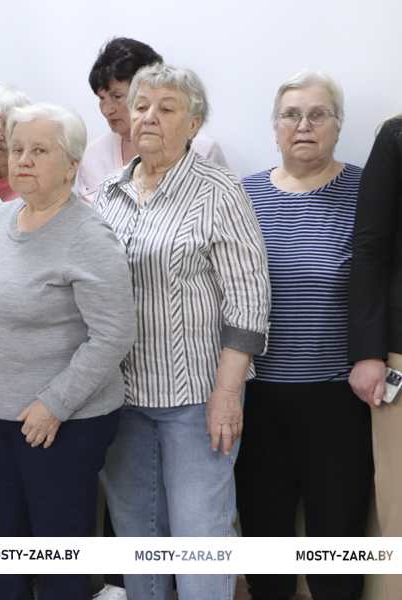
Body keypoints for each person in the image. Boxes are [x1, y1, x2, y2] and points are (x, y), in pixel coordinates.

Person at [0, 103, 136, 600]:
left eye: (39, 150)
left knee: (58, 560)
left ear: (71, 166)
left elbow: (113, 334)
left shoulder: (88, 236)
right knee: (0, 551)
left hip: (64, 425)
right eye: (18, 148)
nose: (22, 159)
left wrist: (55, 404)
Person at [92, 63, 270, 600]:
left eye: (166, 108)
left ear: (194, 124)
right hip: (121, 395)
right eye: (141, 105)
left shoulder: (219, 191)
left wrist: (227, 393)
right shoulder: (109, 191)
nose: (148, 116)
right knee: (137, 534)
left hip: (197, 397)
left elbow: (249, 301)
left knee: (201, 534)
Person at [235, 70, 371, 600]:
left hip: (337, 395)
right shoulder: (242, 195)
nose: (303, 125)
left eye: (318, 114)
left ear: (338, 125)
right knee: (263, 530)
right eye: (290, 115)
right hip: (254, 395)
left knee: (336, 534)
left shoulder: (366, 191)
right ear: (275, 127)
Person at [348, 111, 402, 600]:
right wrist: (368, 353)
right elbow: (369, 247)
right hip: (401, 354)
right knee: (400, 507)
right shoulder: (397, 135)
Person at [78, 37, 230, 206]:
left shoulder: (202, 149)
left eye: (117, 96)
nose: (107, 110)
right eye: (101, 98)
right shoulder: (92, 155)